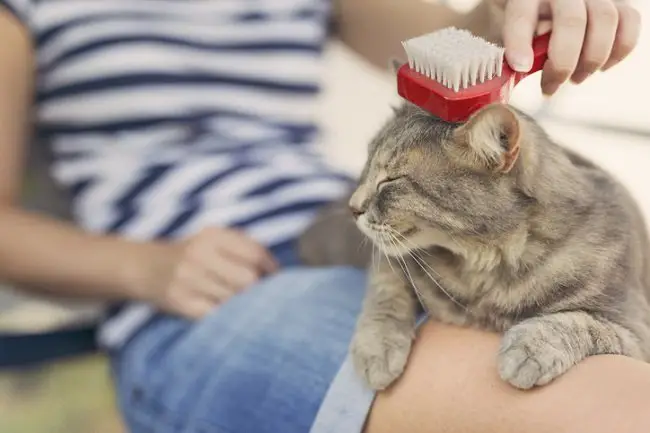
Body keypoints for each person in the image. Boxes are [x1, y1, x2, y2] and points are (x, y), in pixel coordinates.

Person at [0, 0, 646, 432]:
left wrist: (514, 11)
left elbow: (453, 51)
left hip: (371, 235)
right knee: (607, 409)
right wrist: (147, 268)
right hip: (209, 288)